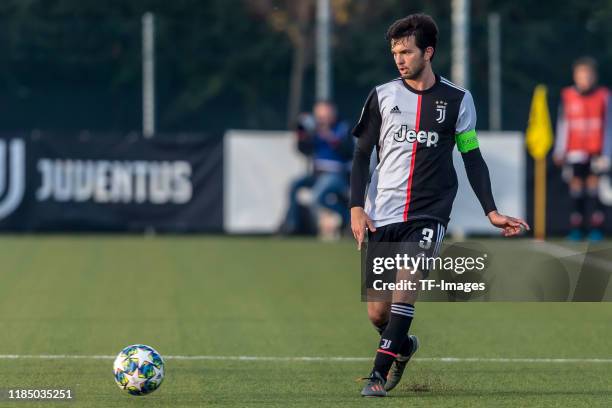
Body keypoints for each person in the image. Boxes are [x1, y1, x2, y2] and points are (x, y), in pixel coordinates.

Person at [349, 14, 530, 397]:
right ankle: (403, 345)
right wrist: (355, 207)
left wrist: (491, 211)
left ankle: (377, 376)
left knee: (405, 291)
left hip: (429, 213)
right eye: (395, 52)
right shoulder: (382, 96)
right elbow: (361, 154)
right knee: (378, 313)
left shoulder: (457, 100)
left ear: (428, 52)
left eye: (407, 51)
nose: (399, 59)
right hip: (382, 213)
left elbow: (471, 156)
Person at [553, 57, 612, 241]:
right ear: (575, 76)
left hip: (596, 150)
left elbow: (609, 125)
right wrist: (559, 150)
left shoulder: (604, 96)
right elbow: (563, 124)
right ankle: (576, 227)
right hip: (575, 149)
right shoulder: (567, 95)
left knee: (594, 187)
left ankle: (596, 228)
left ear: (595, 77)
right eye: (581, 75)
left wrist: (607, 152)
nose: (585, 79)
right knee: (576, 186)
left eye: (588, 75)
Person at [282, 100, 353, 235]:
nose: (322, 119)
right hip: (317, 174)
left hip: (336, 174)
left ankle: (347, 218)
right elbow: (304, 150)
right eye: (319, 116)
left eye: (325, 115)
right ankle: (292, 224)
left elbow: (348, 151)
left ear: (332, 113)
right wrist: (301, 137)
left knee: (316, 197)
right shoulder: (314, 130)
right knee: (294, 185)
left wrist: (328, 135)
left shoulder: (343, 127)